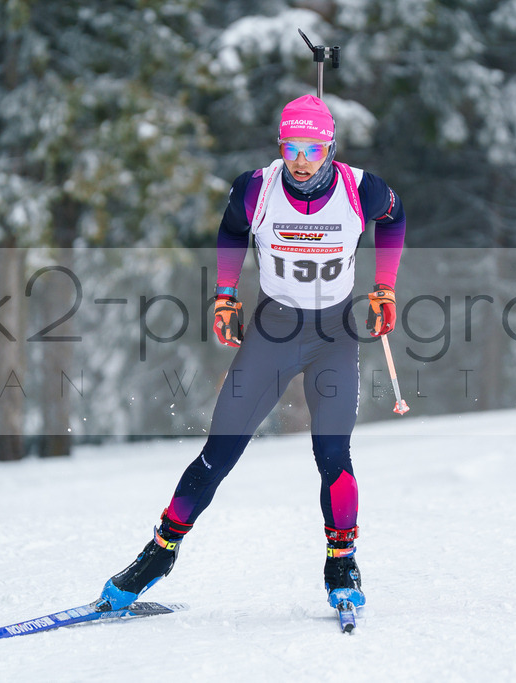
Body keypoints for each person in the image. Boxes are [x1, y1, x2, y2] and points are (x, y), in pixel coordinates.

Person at [95, 94, 406, 613]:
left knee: (333, 456)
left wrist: (386, 286)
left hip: (334, 332)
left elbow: (394, 217)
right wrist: (224, 295)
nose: (301, 158)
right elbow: (231, 230)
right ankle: (159, 553)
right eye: (291, 146)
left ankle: (341, 560)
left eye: (312, 146)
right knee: (220, 451)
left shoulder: (360, 187)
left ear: (330, 146)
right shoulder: (257, 189)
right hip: (274, 330)